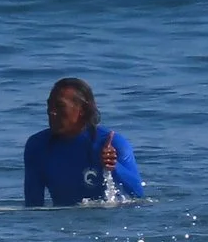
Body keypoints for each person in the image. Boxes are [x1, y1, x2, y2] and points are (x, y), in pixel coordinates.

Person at [23, 77, 143, 206]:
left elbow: (138, 195)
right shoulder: (38, 146)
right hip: (61, 218)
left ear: (83, 109)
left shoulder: (111, 144)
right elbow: (33, 205)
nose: (51, 112)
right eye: (49, 105)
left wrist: (114, 167)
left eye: (60, 106)